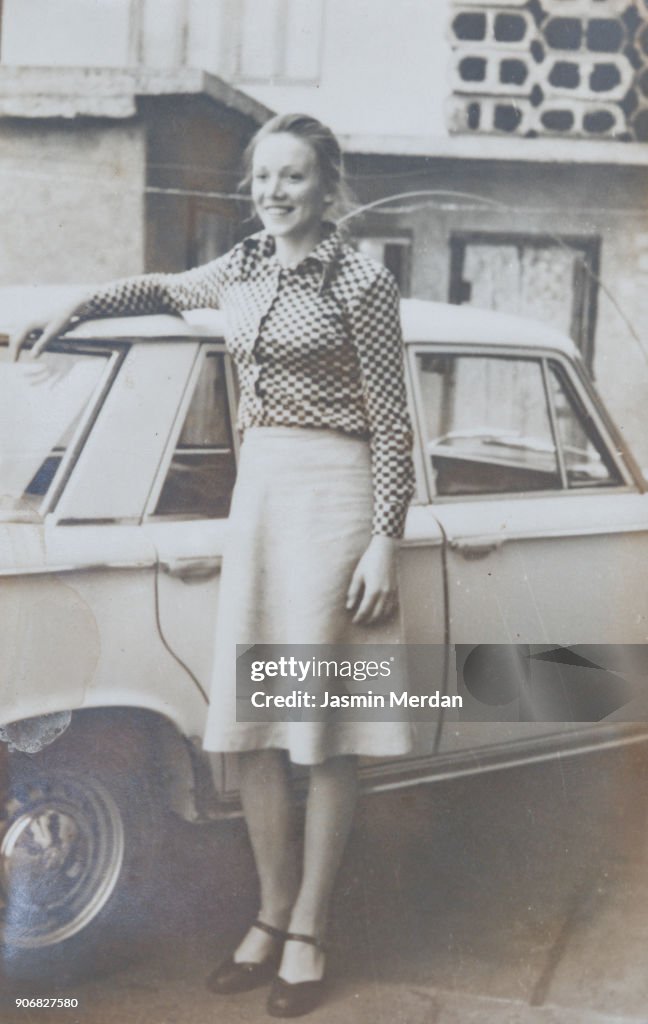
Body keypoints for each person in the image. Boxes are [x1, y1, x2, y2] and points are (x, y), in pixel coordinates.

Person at [10, 112, 415, 1017]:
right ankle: (268, 915)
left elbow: (394, 424)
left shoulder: (363, 282)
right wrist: (75, 304)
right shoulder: (241, 267)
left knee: (327, 726)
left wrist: (384, 536)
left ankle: (311, 926)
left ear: (328, 185)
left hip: (340, 499)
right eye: (264, 176)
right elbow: (158, 289)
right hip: (263, 497)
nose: (275, 192)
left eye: (294, 177)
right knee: (257, 722)